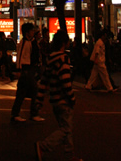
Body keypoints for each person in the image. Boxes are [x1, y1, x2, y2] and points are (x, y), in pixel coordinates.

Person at [35, 30, 81, 161]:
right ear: (64, 43)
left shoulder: (50, 59)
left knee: (67, 128)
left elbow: (44, 81)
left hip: (54, 99)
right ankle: (44, 146)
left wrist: (39, 99)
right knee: (66, 129)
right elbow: (65, 81)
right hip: (63, 100)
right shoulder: (63, 58)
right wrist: (72, 97)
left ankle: (70, 156)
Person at [11, 22, 44, 122]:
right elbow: (20, 57)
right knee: (33, 91)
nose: (33, 32)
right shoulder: (24, 42)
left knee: (22, 93)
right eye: (31, 30)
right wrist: (19, 70)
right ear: (27, 32)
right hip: (26, 69)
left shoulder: (32, 41)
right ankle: (32, 114)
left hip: (30, 69)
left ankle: (16, 114)